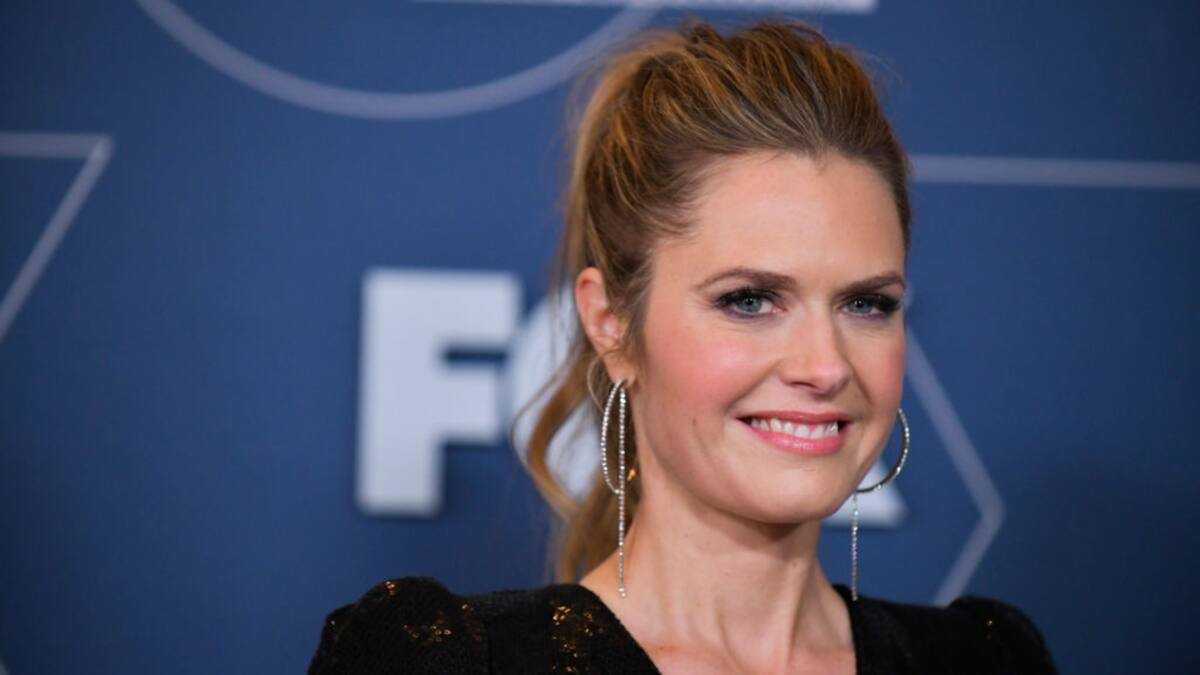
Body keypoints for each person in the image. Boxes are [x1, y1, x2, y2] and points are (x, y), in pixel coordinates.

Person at [308, 17, 1056, 674]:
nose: (826, 366)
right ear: (611, 323)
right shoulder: (453, 661)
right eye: (749, 300)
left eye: (867, 304)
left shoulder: (985, 659)